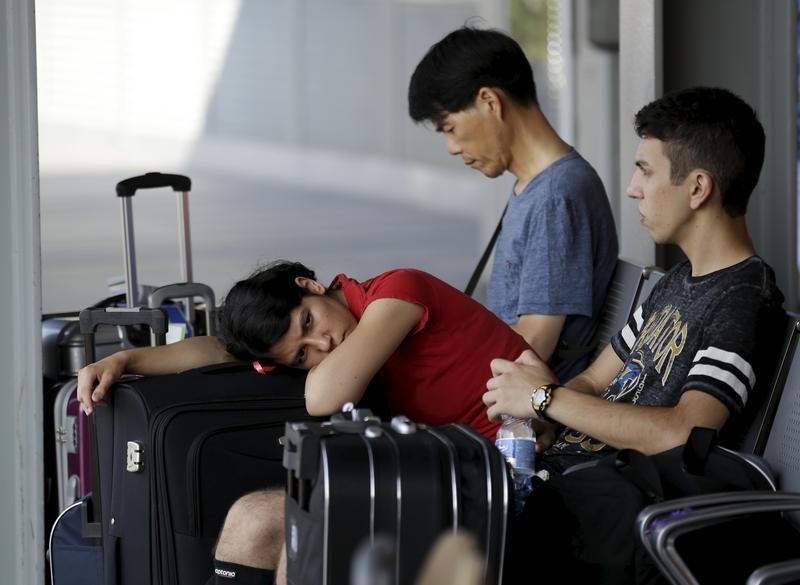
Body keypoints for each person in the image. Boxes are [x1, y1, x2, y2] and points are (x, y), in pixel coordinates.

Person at [77, 262, 535, 585]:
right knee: (252, 516)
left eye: (309, 321)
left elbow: (324, 396)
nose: (324, 343)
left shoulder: (398, 293)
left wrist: (295, 364)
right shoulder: (349, 330)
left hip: (510, 473)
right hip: (442, 466)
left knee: (303, 521)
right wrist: (125, 358)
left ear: (311, 285)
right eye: (302, 354)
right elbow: (219, 349)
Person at [484, 86, 785, 472]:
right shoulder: (677, 281)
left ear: (697, 188)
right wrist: (550, 414)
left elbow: (683, 434)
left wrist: (545, 398)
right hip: (565, 473)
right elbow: (593, 380)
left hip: (598, 502)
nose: (632, 189)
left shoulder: (743, 299)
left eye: (645, 170)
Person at [408, 26, 618, 381]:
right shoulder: (536, 186)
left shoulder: (556, 196)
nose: (451, 147)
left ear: (490, 102)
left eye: (449, 127)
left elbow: (532, 344)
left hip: (524, 420)